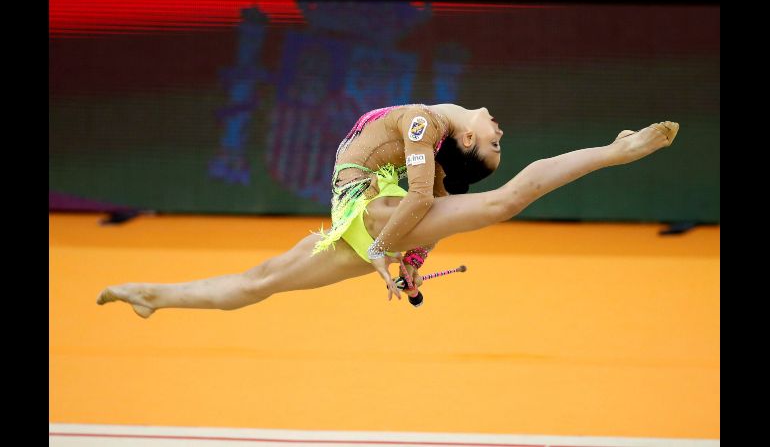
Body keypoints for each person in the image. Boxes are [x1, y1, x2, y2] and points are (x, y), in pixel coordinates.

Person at [96, 103, 678, 318]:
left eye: (494, 142)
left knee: (505, 201)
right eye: (498, 140)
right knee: (260, 281)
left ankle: (614, 152)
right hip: (365, 217)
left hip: (367, 216)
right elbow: (428, 210)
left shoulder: (426, 124)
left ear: (467, 141)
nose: (498, 131)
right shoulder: (430, 132)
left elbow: (424, 203)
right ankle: (155, 296)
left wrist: (395, 253)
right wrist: (404, 257)